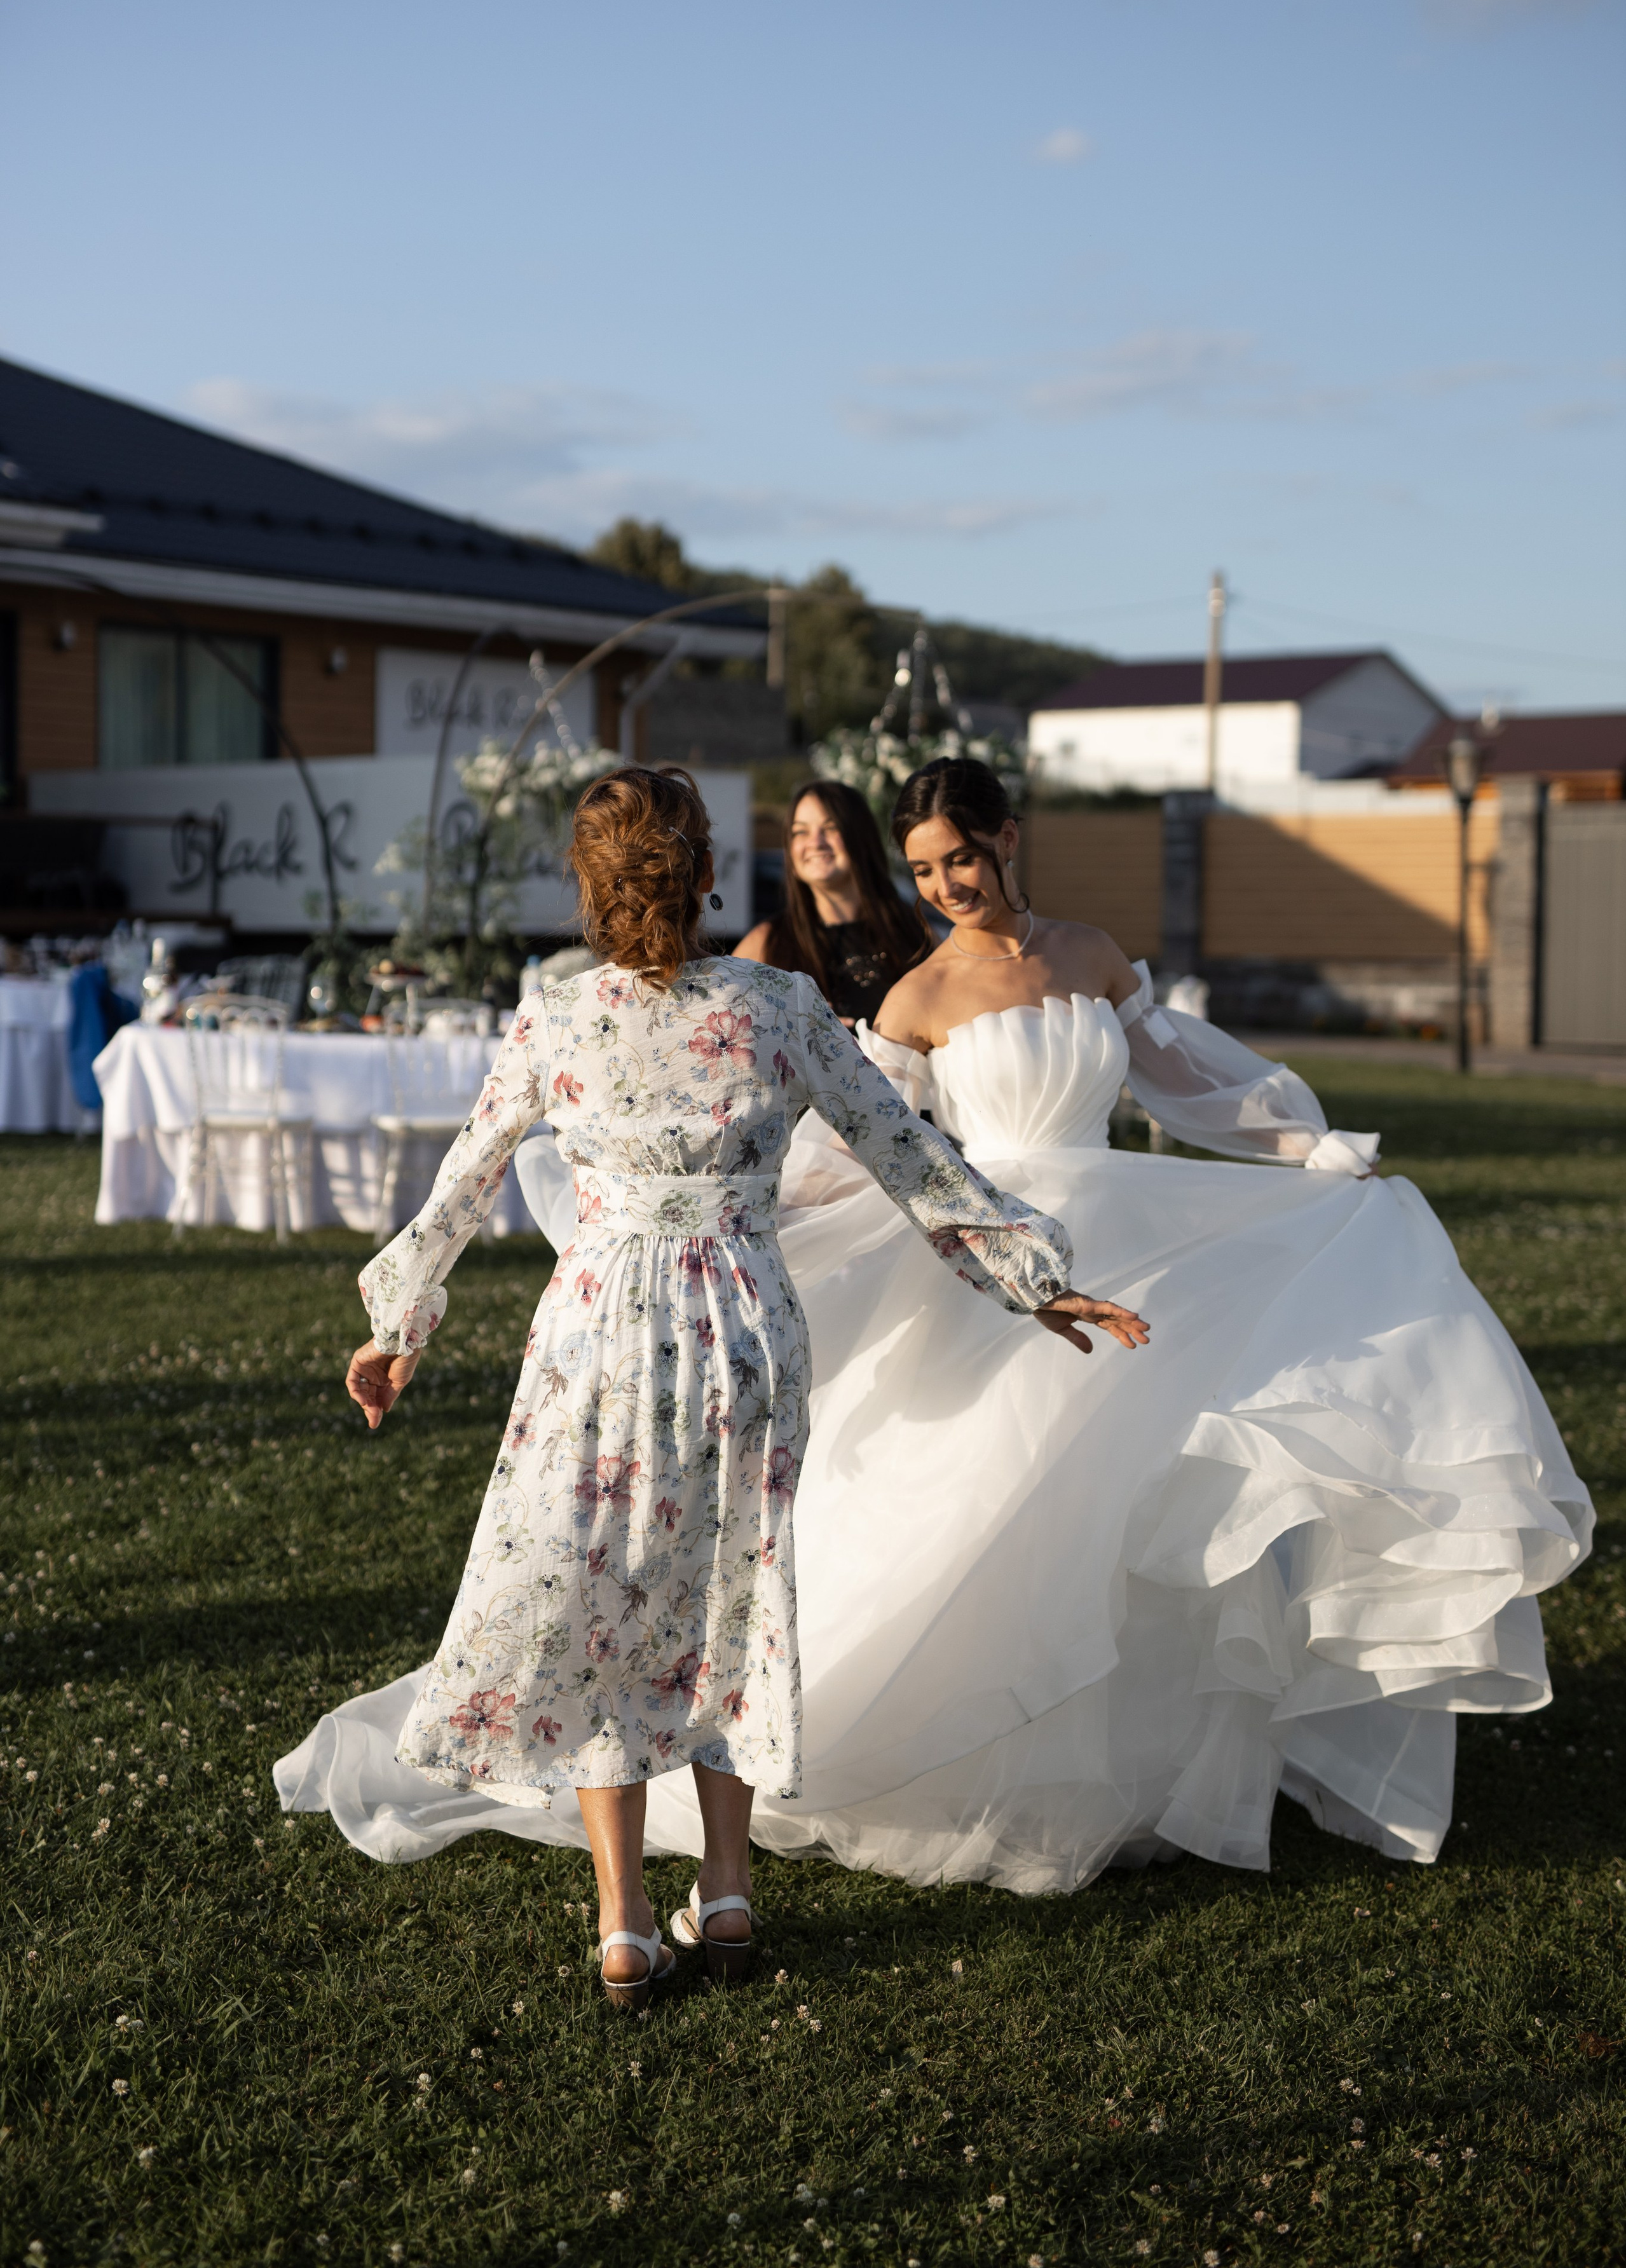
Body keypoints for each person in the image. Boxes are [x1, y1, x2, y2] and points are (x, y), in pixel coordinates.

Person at [278, 764, 1142, 2003]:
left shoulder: (553, 1018)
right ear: (702, 878)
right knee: (733, 1584)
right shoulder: (782, 1008)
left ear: (589, 887)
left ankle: (625, 1920)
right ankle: (726, 1891)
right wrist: (1032, 1281)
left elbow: (463, 1183)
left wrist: (398, 1326)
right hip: (743, 1321)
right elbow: (915, 1162)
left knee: (600, 1598)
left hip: (597, 1328)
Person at [727, 756, 1590, 1890]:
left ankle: (1158, 1765)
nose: (945, 887)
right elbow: (866, 1148)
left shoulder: (1088, 953)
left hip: (1130, 1237)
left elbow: (1185, 1080)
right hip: (1008, 1263)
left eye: (962, 860)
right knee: (1010, 1496)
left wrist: (1308, 1150)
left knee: (1153, 1490)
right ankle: (1001, 1765)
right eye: (927, 871)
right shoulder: (916, 999)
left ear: (1009, 838)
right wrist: (750, 1197)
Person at [735, 779, 929, 1027]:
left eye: (831, 828)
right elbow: (731, 1032)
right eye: (800, 832)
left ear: (861, 838)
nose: (816, 842)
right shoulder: (766, 943)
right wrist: (788, 1028)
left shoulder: (916, 932)